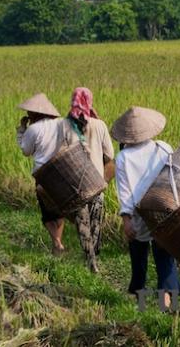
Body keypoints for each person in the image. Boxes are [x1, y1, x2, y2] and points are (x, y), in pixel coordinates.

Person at [111, 106, 180, 306]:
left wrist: (126, 219)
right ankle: (168, 300)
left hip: (140, 213)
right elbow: (174, 178)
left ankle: (138, 291)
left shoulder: (123, 157)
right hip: (164, 209)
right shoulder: (164, 147)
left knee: (138, 252)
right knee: (165, 255)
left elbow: (124, 191)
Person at [59, 87, 114, 273]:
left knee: (82, 223)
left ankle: (90, 260)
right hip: (96, 182)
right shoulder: (99, 125)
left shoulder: (64, 126)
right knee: (96, 221)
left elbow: (59, 154)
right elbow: (110, 154)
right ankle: (95, 254)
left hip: (76, 184)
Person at [16, 93, 67, 256]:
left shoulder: (33, 129)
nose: (28, 114)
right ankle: (56, 245)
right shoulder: (61, 124)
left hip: (43, 174)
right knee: (59, 211)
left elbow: (26, 151)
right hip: (61, 171)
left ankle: (57, 243)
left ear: (34, 113)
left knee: (46, 214)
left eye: (30, 112)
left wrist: (21, 130)